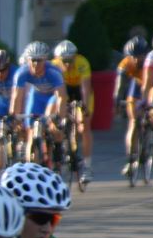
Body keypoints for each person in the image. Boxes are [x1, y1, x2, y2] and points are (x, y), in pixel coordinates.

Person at [10, 41, 67, 166]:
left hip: (52, 97)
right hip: (37, 97)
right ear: (28, 60)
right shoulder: (22, 73)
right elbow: (17, 97)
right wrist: (15, 116)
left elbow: (61, 97)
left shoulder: (54, 72)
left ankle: (57, 147)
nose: (35, 64)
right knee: (31, 131)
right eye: (33, 60)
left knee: (52, 124)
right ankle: (32, 167)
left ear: (45, 60)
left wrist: (59, 118)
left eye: (39, 60)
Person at [50, 40, 93, 183]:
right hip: (64, 91)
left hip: (80, 91)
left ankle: (87, 166)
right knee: (57, 118)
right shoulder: (54, 65)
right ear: (58, 59)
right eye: (65, 61)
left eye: (70, 60)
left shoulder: (82, 63)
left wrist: (84, 107)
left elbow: (85, 88)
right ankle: (63, 143)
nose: (68, 64)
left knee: (84, 126)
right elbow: (54, 93)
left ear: (76, 57)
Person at [114, 36, 150, 176]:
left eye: (139, 56)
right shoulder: (125, 64)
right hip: (136, 87)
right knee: (133, 122)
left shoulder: (152, 61)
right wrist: (117, 101)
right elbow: (120, 86)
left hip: (152, 86)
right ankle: (130, 159)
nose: (135, 60)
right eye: (132, 57)